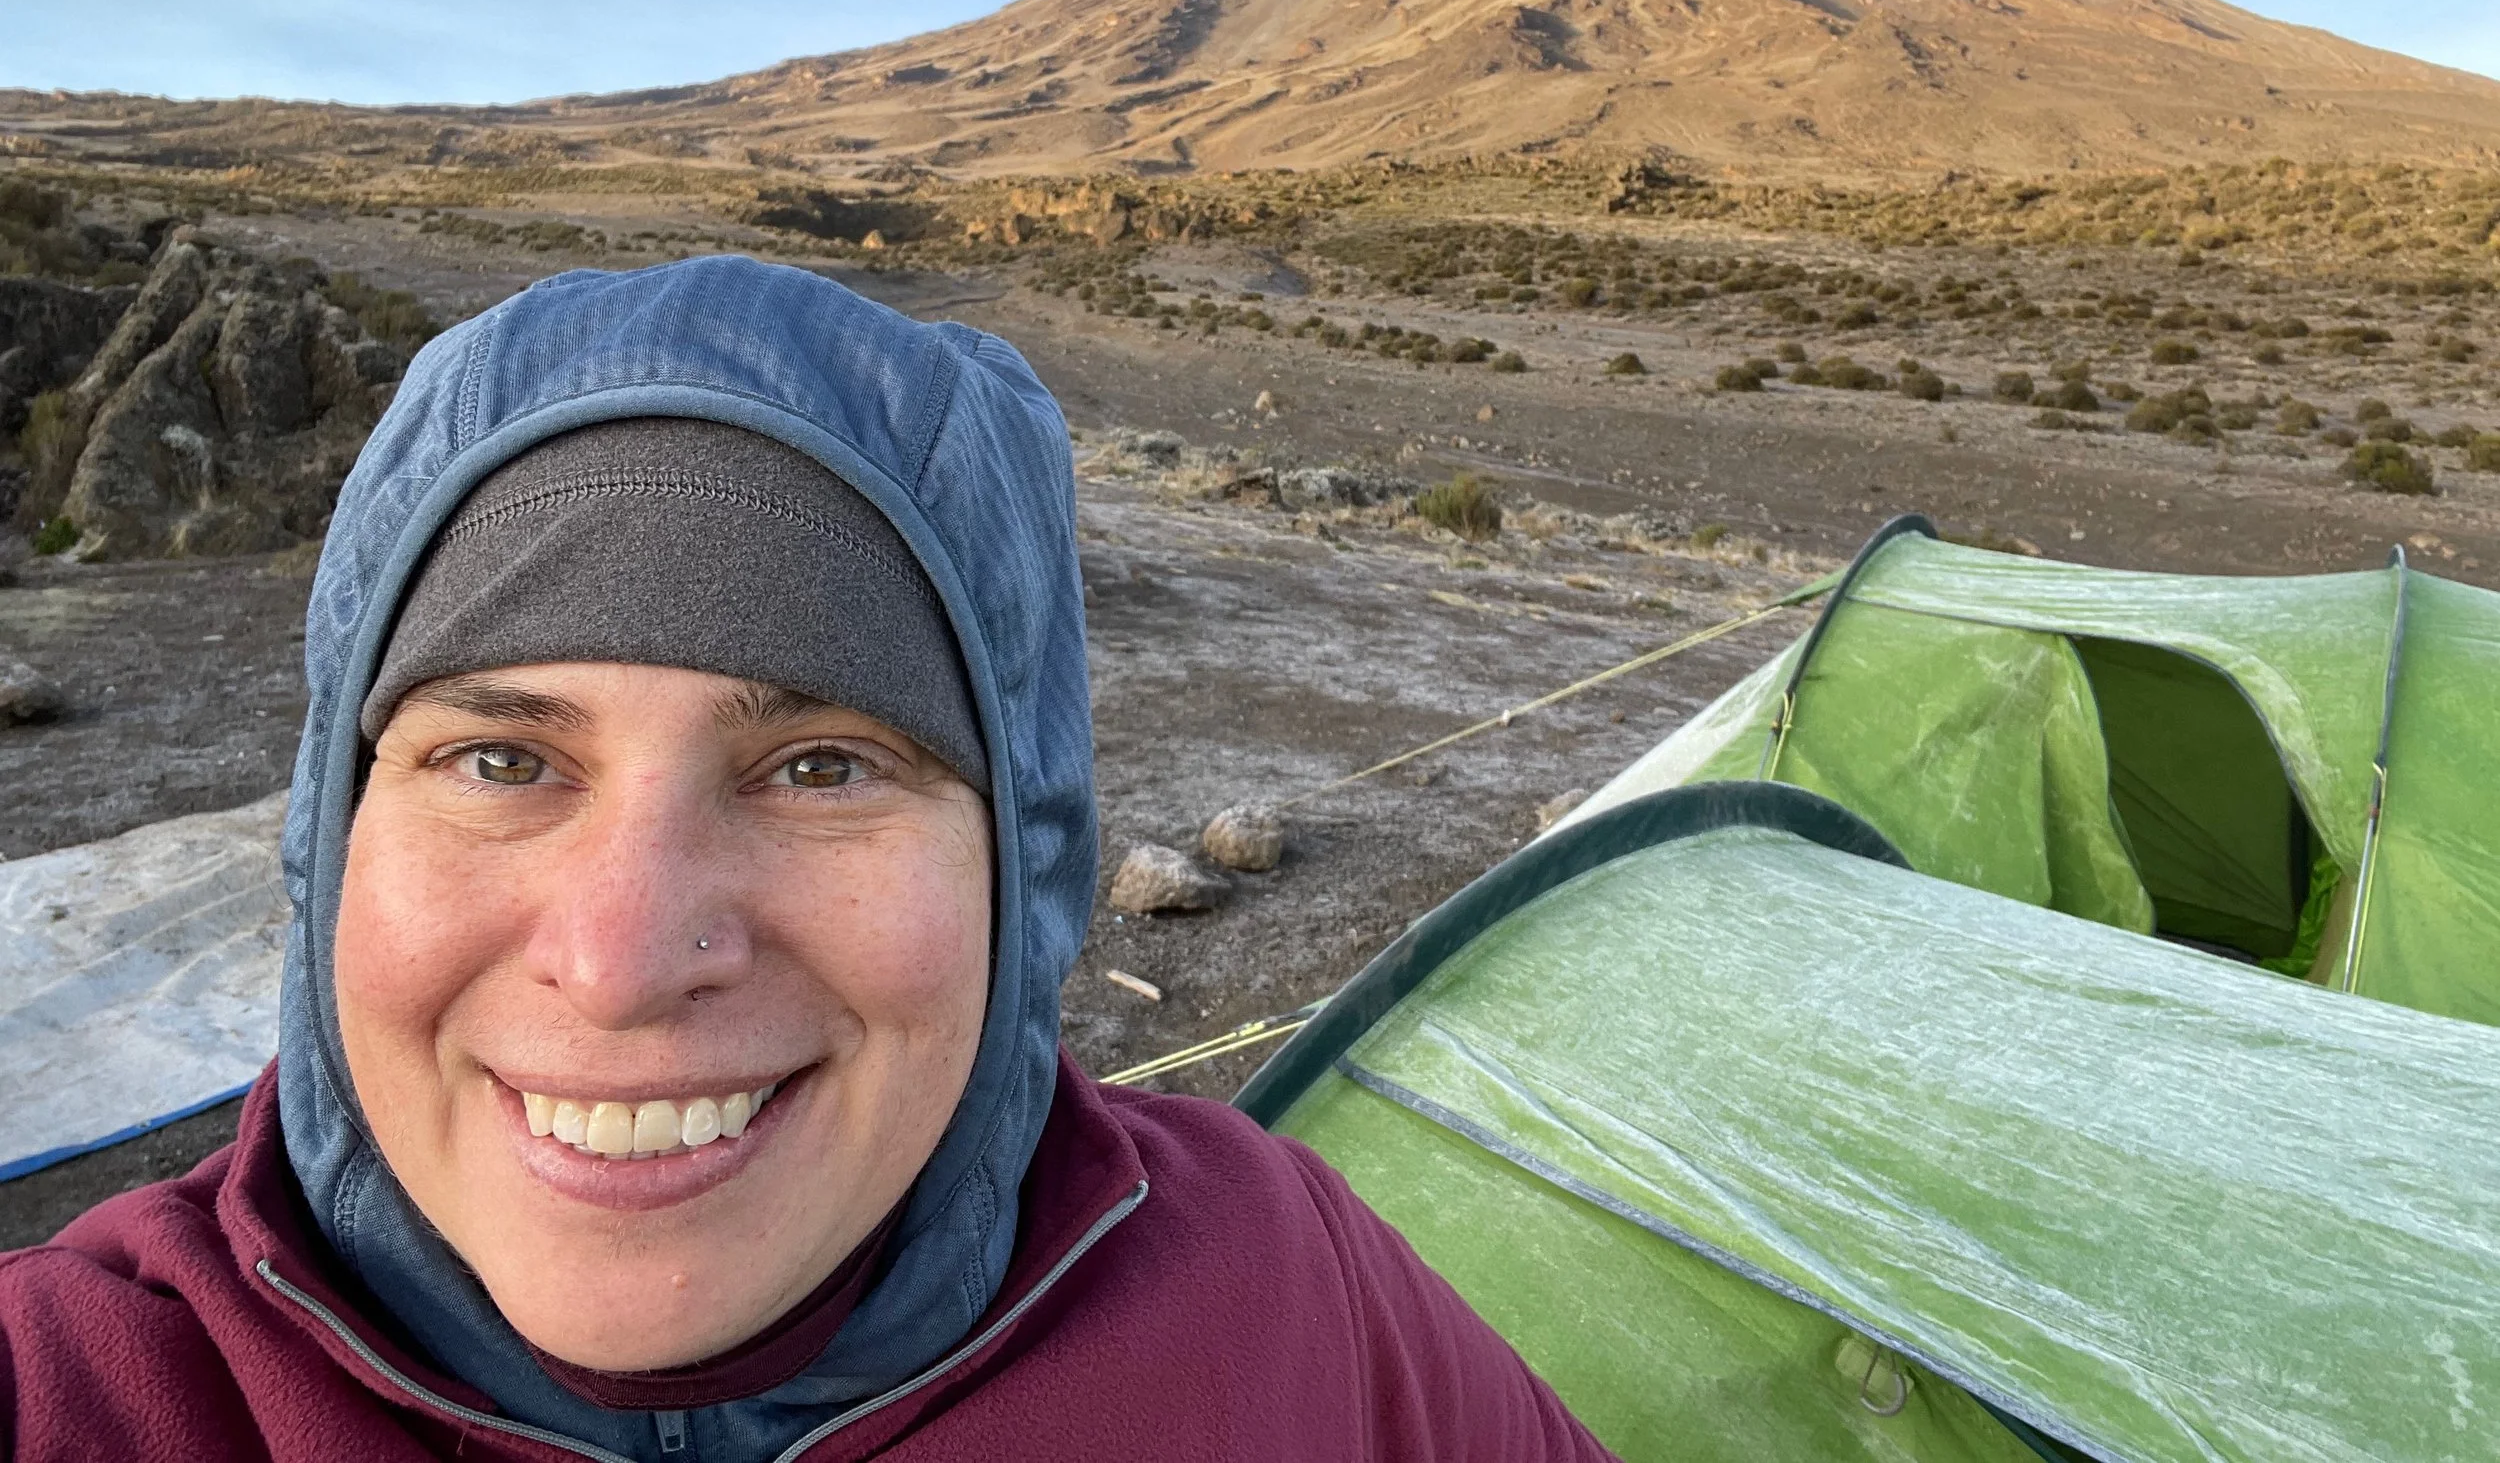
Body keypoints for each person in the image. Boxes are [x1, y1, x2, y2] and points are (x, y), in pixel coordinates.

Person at [0, 256, 1614, 1461]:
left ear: (1025, 857)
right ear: (334, 833)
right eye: (501, 760)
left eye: (823, 766)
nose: (623, 962)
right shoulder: (82, 1384)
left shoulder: (1283, 1287)